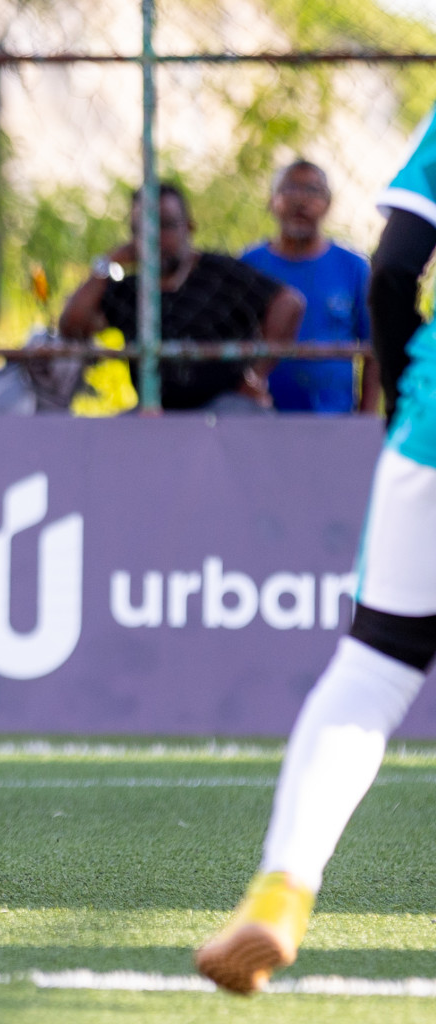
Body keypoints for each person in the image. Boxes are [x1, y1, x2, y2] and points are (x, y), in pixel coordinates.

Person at [194, 114, 436, 995]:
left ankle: (283, 893)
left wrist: (412, 392)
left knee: (374, 668)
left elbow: (396, 271)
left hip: (433, 429)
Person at [58, 183, 305, 412]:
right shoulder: (130, 289)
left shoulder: (219, 272)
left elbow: (289, 302)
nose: (154, 238)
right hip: (157, 411)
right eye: (141, 229)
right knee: (115, 440)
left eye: (165, 225)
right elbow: (72, 326)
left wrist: (256, 374)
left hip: (223, 405)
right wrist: (107, 264)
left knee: (245, 422)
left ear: (188, 227)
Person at [240, 161, 373, 414]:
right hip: (260, 417)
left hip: (334, 420)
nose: (300, 201)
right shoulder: (248, 265)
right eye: (289, 189)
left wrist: (366, 420)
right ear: (271, 200)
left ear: (328, 204)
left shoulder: (354, 268)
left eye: (313, 191)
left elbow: (372, 350)